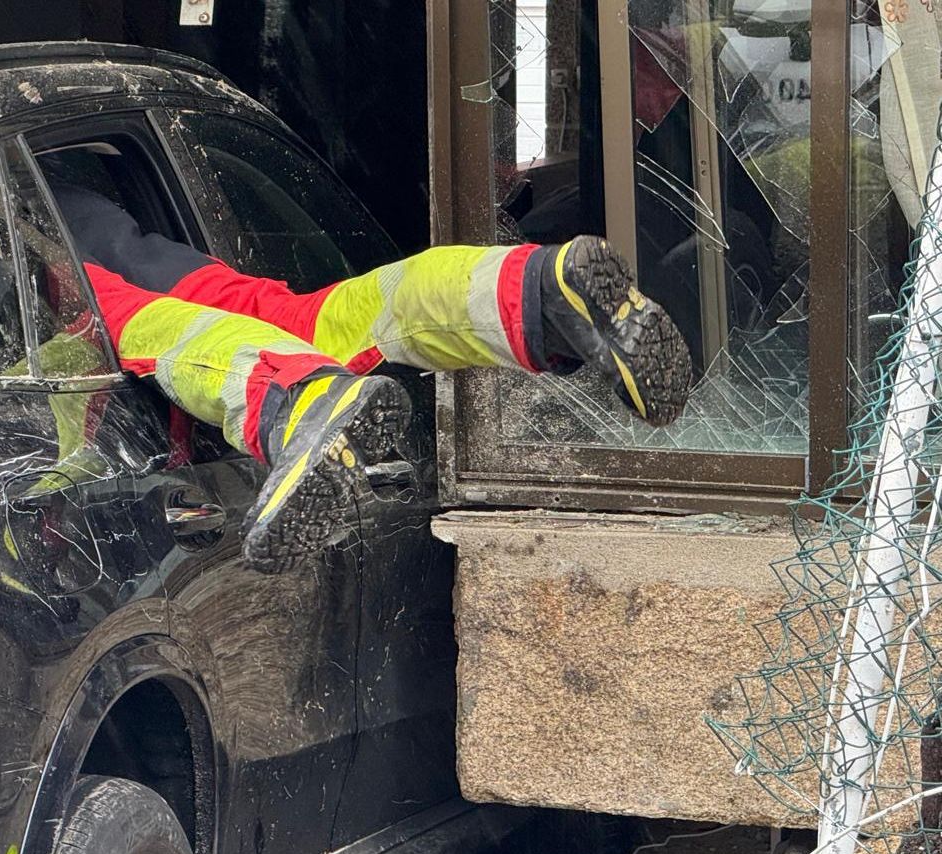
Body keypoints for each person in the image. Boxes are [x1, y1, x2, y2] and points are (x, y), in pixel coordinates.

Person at [47, 185, 693, 574]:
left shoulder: (13, 231)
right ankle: (537, 289)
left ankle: (301, 402)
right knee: (327, 317)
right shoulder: (66, 193)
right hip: (136, 247)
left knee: (122, 326)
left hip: (66, 262)